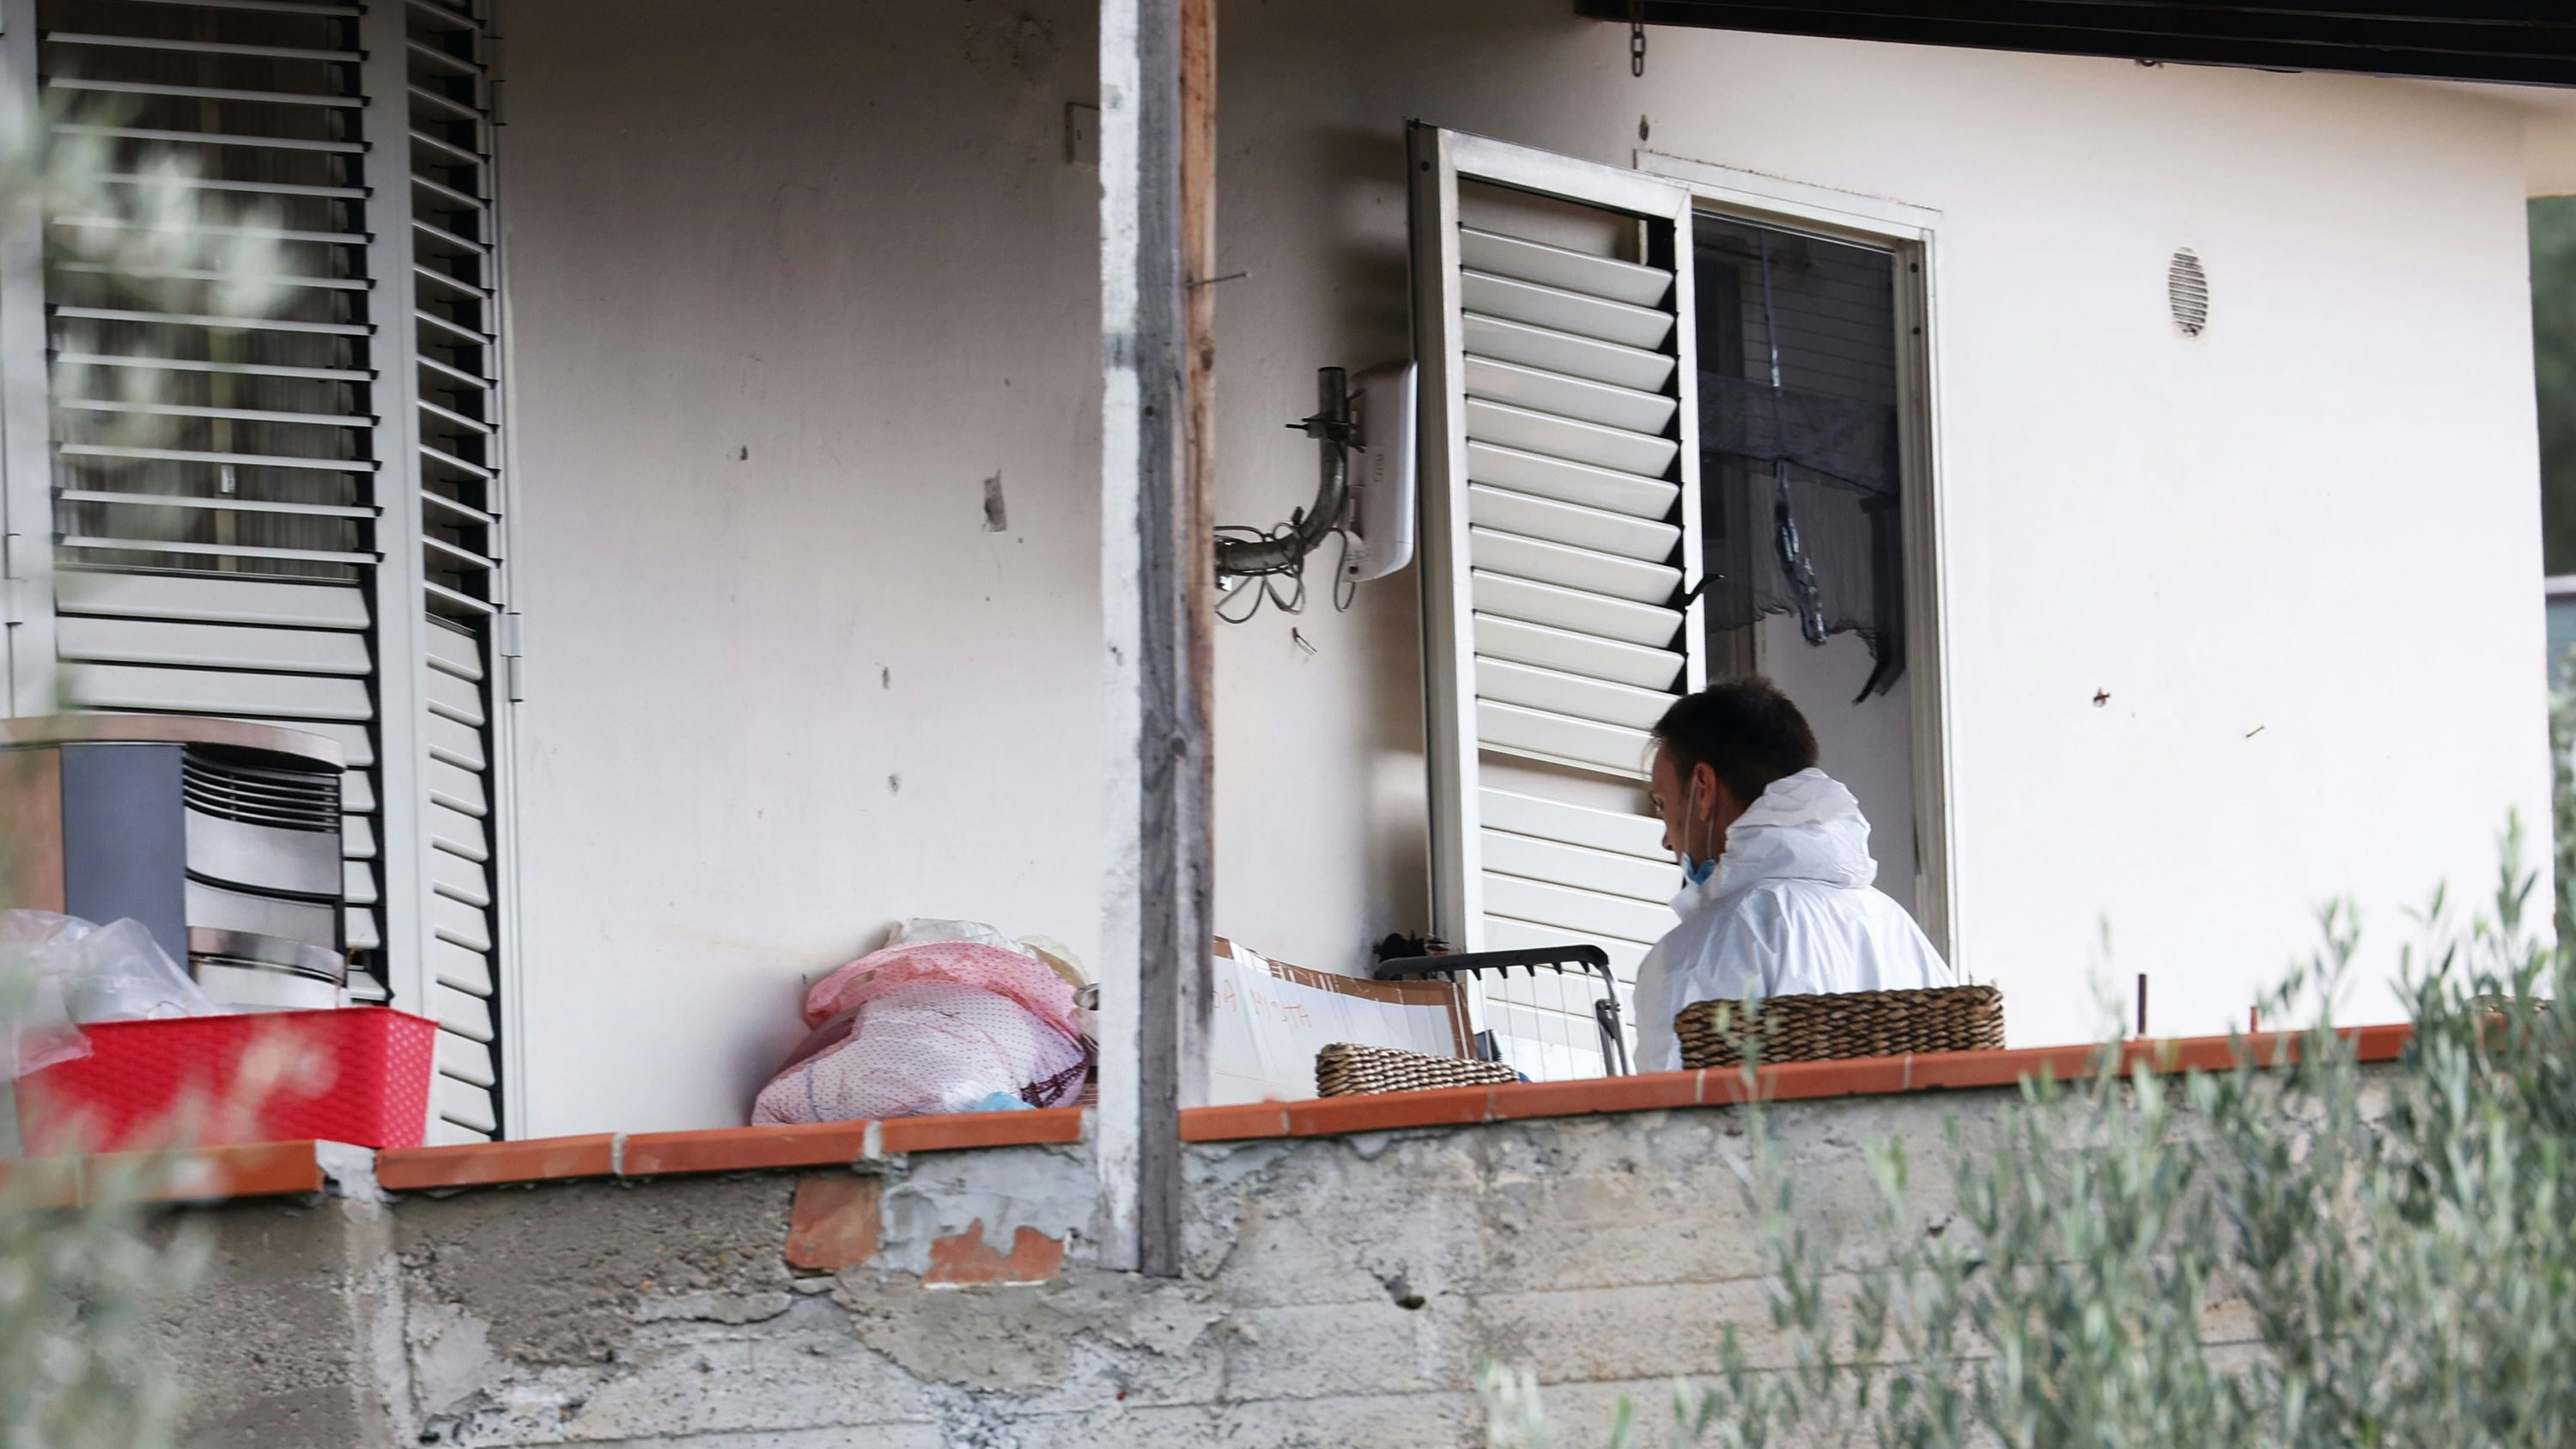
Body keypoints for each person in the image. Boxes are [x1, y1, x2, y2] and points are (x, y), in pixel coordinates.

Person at [1632, 676, 1952, 1074]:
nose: (1667, 840)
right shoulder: (1893, 924)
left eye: (1663, 805)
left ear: (1703, 789)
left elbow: (1672, 1115)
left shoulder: (1702, 950)